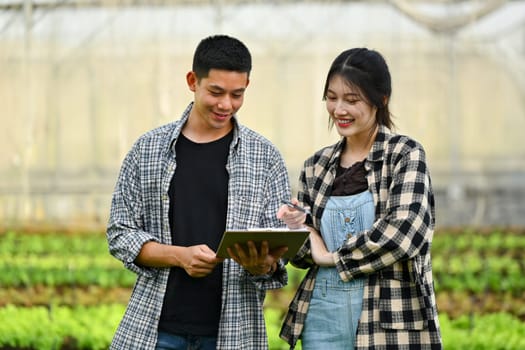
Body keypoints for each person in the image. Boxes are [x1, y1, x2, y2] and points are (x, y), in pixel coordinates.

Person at [106, 34, 291, 350]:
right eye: (216, 92)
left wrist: (265, 264)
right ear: (193, 81)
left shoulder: (265, 156)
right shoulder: (147, 150)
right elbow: (120, 234)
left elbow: (283, 236)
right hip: (156, 329)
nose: (226, 105)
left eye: (237, 94)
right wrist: (179, 256)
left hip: (234, 332)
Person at [276, 48, 442, 349]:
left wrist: (332, 256)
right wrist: (296, 227)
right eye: (331, 97)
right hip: (322, 320)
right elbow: (304, 256)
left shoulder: (404, 155)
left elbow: (405, 232)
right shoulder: (316, 166)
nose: (339, 109)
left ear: (382, 99)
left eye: (352, 100)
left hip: (390, 322)